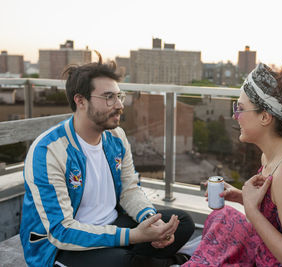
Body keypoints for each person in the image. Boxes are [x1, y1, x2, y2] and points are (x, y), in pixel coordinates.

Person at [19, 54, 194, 267]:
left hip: (112, 224)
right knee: (122, 263)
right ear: (80, 101)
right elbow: (61, 231)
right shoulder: (49, 151)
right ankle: (171, 262)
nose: (120, 104)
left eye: (120, 95)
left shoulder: (116, 137)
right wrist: (133, 237)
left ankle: (148, 260)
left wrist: (150, 221)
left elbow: (130, 190)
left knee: (182, 222)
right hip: (61, 247)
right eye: (109, 97)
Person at [183, 60, 282, 266]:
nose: (235, 115)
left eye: (240, 108)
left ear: (265, 117)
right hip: (276, 254)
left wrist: (251, 211)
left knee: (221, 243)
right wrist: (241, 197)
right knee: (223, 217)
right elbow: (281, 210)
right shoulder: (273, 153)